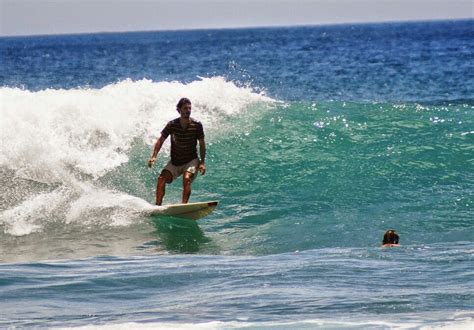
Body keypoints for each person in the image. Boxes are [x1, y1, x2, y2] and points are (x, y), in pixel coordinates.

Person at [148, 98, 206, 205]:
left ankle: (184, 206)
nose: (188, 110)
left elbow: (202, 144)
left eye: (189, 108)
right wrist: (154, 156)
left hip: (191, 160)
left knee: (187, 178)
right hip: (175, 161)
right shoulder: (172, 124)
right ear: (179, 110)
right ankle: (158, 205)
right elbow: (161, 140)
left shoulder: (197, 125)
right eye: (185, 108)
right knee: (161, 179)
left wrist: (202, 162)